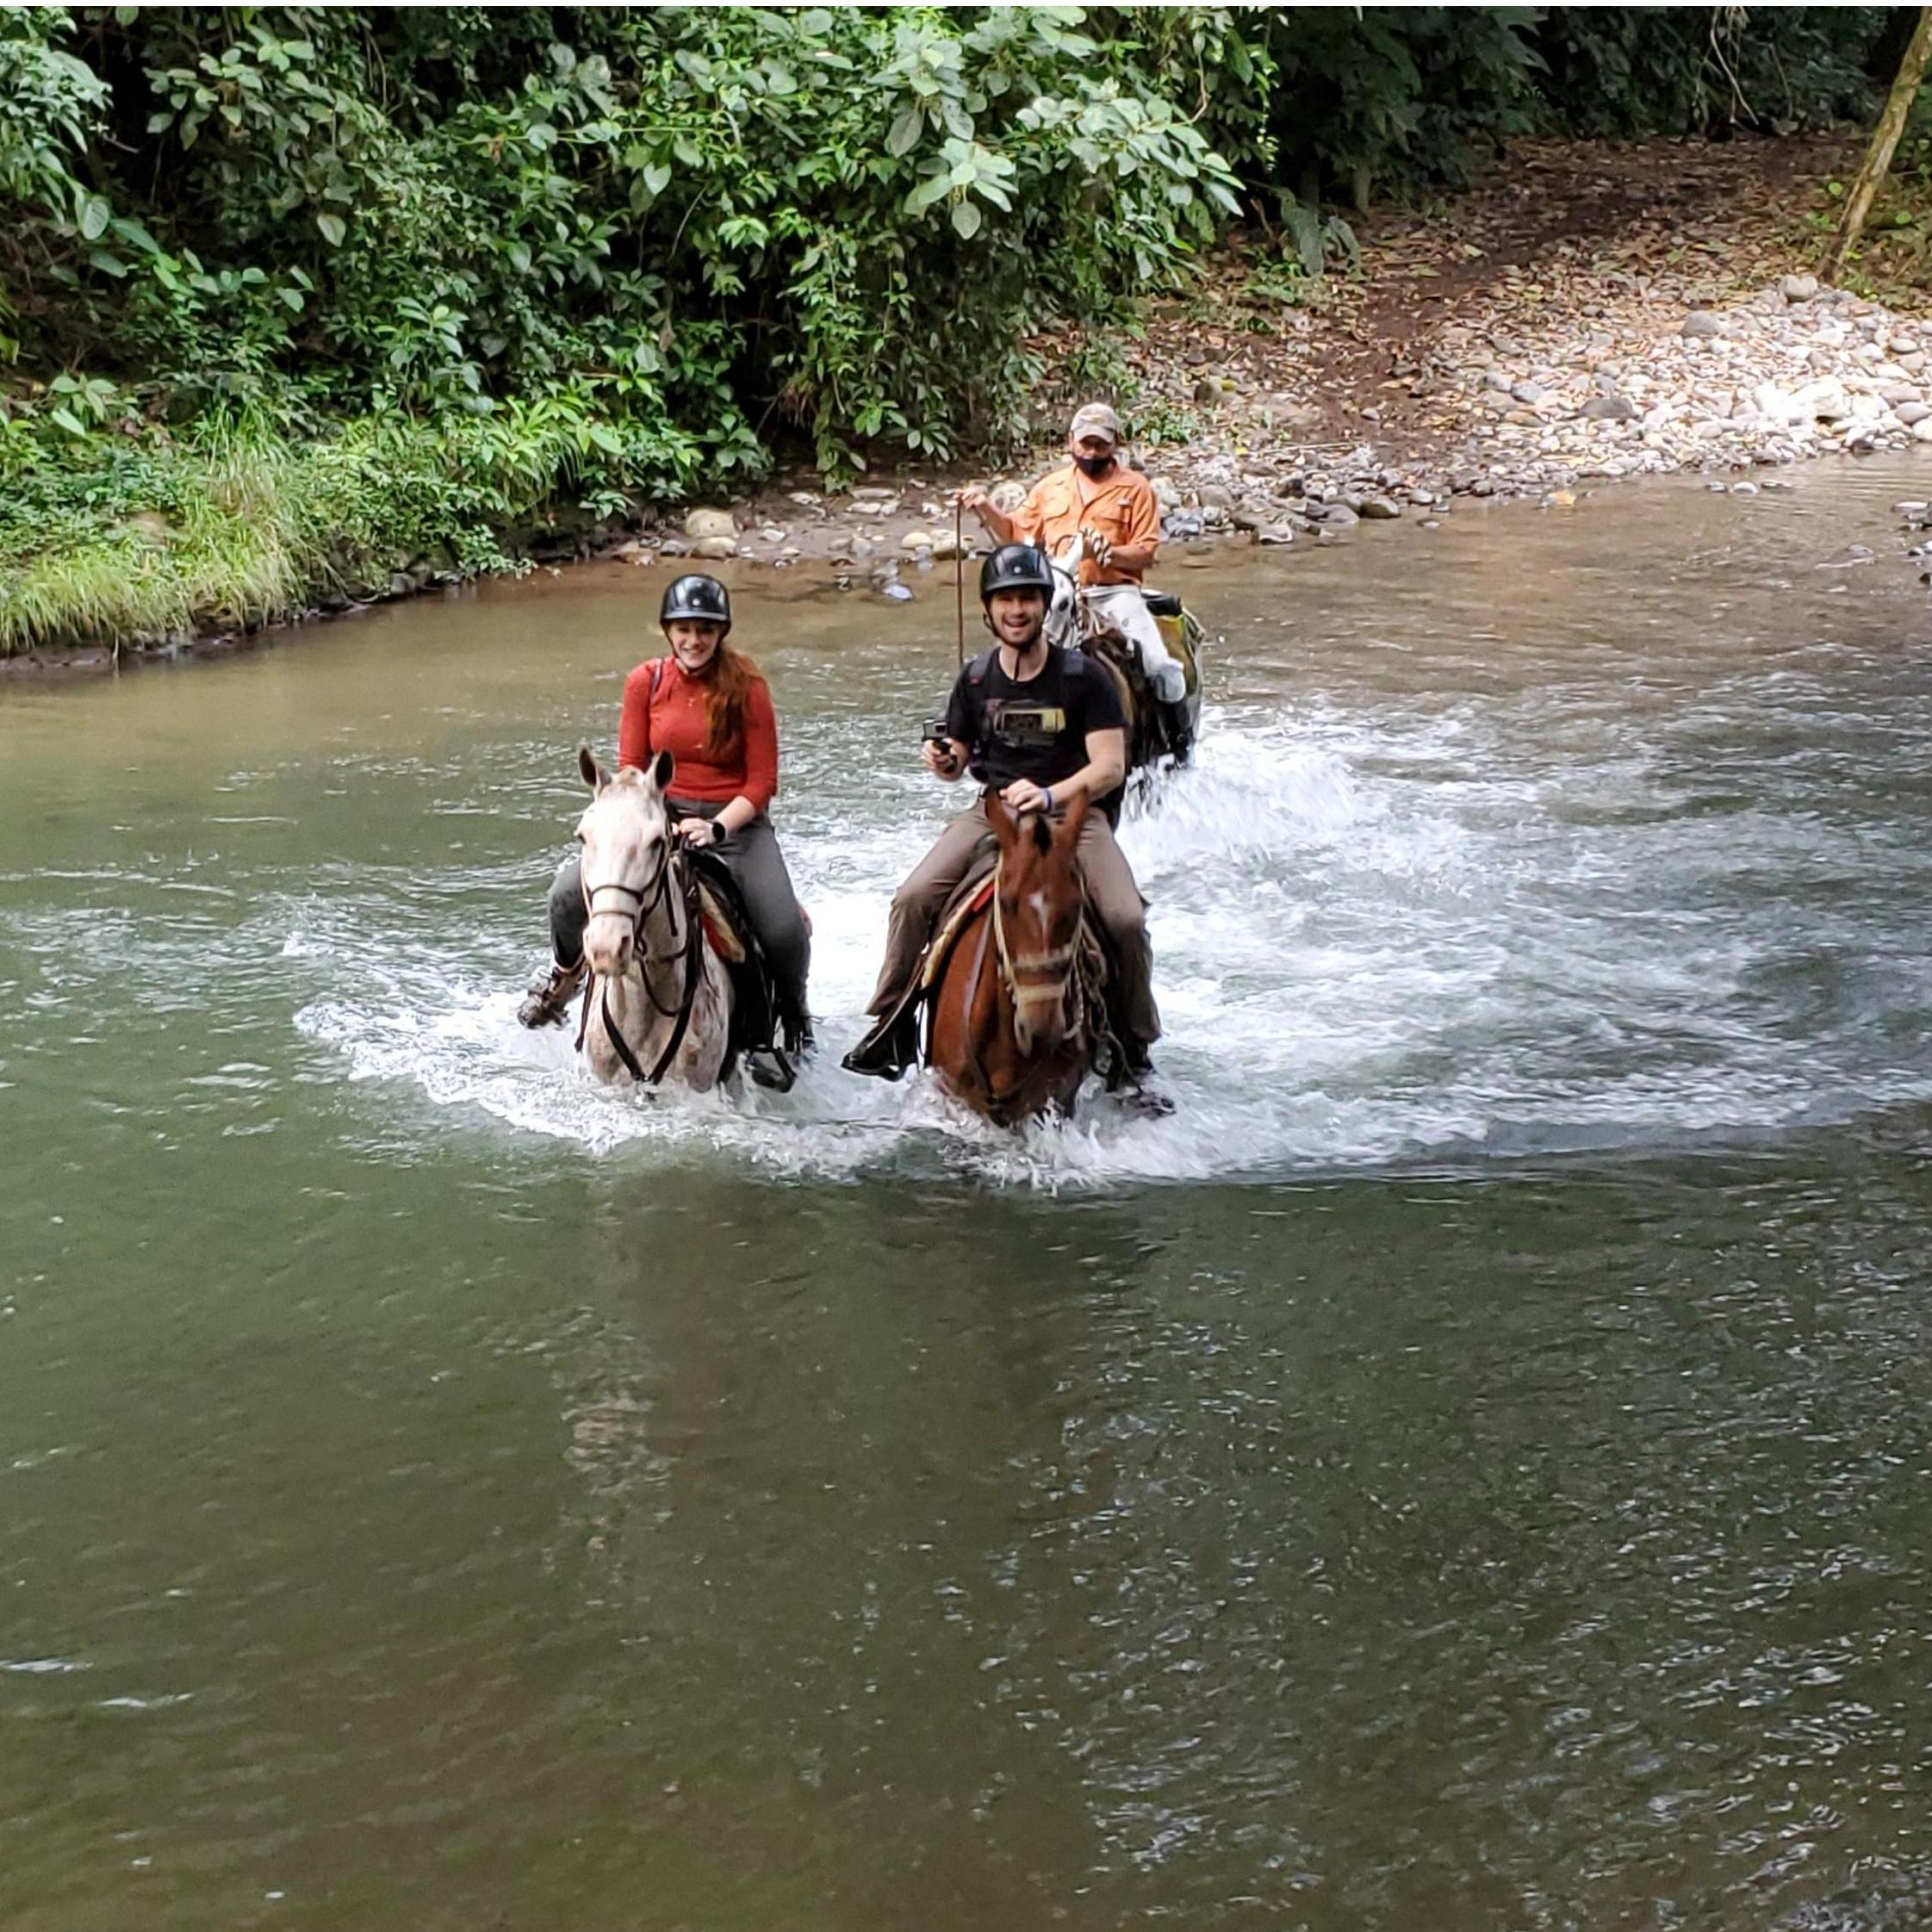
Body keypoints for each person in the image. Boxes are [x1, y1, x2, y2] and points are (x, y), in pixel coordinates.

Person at [842, 543, 1169, 1112]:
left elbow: (1109, 767)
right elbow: (958, 756)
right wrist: (944, 760)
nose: (1017, 610)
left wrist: (1050, 793)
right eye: (1005, 600)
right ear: (989, 610)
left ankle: (1134, 1050)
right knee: (913, 897)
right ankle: (889, 1023)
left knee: (1125, 917)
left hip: (1073, 817)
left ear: (1043, 606)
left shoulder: (1084, 678)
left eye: (1026, 599)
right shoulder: (975, 679)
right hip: (994, 812)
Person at [519, 573, 811, 1065]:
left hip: (735, 827)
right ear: (668, 630)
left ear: (720, 633)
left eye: (705, 630)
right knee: (565, 895)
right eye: (684, 629)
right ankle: (564, 977)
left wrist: (717, 827)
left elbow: (761, 782)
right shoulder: (645, 682)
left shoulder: (748, 687)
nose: (694, 640)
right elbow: (631, 770)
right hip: (659, 818)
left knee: (782, 928)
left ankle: (792, 1015)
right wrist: (658, 819)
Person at [956, 401, 1191, 752]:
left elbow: (1146, 552)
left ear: (1116, 444)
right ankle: (983, 744)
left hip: (1114, 593)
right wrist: (985, 507)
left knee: (1160, 665)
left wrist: (1106, 554)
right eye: (1085, 443)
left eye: (1100, 444)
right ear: (1071, 441)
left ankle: (1178, 745)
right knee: (1005, 659)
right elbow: (1015, 534)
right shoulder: (1050, 488)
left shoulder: (1136, 489)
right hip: (1056, 592)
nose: (1091, 452)